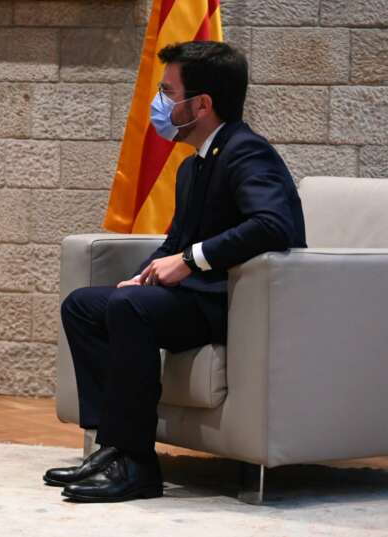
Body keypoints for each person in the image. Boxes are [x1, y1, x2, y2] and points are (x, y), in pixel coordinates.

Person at [45, 41, 306, 502]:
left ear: (202, 103)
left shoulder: (247, 153)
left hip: (234, 303)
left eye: (169, 92)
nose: (161, 103)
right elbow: (174, 242)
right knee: (85, 306)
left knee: (129, 308)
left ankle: (138, 467)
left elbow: (272, 225)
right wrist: (144, 274)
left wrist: (190, 261)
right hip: (196, 299)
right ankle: (112, 447)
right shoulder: (194, 166)